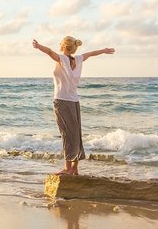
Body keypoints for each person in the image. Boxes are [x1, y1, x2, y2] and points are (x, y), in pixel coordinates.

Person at [32, 36, 114, 176]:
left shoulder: (62, 59)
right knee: (76, 134)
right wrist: (104, 50)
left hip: (62, 101)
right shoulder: (79, 59)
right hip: (75, 101)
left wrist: (39, 46)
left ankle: (68, 168)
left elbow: (50, 52)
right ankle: (75, 168)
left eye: (61, 43)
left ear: (64, 46)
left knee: (67, 134)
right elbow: (91, 53)